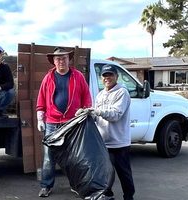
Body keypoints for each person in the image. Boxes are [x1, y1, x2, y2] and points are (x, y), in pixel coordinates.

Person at [36, 47, 92, 197]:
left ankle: (76, 185)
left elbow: (86, 97)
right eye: (58, 59)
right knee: (49, 157)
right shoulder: (48, 78)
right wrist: (40, 118)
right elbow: (41, 99)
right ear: (54, 61)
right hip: (52, 123)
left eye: (64, 58)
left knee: (75, 157)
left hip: (72, 123)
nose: (61, 61)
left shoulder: (78, 76)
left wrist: (86, 113)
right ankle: (46, 186)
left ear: (69, 59)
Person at [77, 64, 135, 200]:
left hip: (119, 141)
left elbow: (116, 115)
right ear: (101, 78)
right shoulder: (100, 95)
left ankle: (128, 196)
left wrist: (98, 111)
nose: (107, 78)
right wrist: (86, 113)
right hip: (103, 141)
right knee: (105, 172)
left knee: (123, 172)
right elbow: (97, 118)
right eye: (104, 75)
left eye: (110, 75)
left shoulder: (122, 92)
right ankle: (107, 194)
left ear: (117, 76)